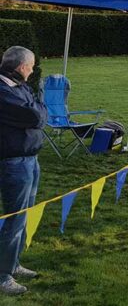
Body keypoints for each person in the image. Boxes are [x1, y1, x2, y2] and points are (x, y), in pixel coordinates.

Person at [0, 46, 47, 296]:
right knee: (14, 218)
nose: (31, 70)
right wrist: (37, 110)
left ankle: (13, 263)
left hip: (30, 159)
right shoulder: (3, 91)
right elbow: (36, 116)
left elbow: (38, 111)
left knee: (24, 214)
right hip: (13, 162)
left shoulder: (20, 86)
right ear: (21, 67)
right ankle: (3, 275)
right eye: (30, 66)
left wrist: (37, 109)